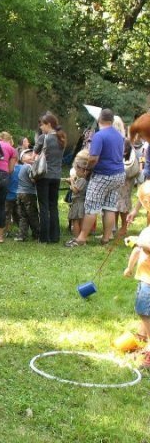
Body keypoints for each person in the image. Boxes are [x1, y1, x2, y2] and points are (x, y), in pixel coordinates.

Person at [66, 109, 125, 247]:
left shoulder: (99, 135)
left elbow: (93, 158)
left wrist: (87, 169)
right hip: (119, 174)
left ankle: (81, 238)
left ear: (99, 120)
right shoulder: (119, 135)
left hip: (103, 175)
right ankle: (105, 238)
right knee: (109, 207)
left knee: (92, 207)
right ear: (111, 120)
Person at [123, 182, 150, 370]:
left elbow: (143, 247)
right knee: (145, 312)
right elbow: (139, 251)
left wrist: (137, 242)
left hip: (149, 279)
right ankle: (142, 337)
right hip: (145, 276)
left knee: (144, 310)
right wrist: (129, 267)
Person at [33, 111, 66, 244]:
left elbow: (34, 156)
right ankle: (55, 236)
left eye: (42, 125)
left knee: (44, 206)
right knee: (53, 206)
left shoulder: (44, 138)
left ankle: (44, 237)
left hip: (44, 174)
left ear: (49, 124)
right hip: (56, 176)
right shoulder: (61, 138)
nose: (41, 127)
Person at [14, 149, 40, 241]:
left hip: (19, 193)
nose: (31, 156)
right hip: (28, 194)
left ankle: (22, 235)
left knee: (22, 215)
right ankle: (37, 234)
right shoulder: (29, 167)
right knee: (32, 214)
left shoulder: (22, 167)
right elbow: (33, 179)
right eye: (28, 155)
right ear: (22, 158)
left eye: (32, 154)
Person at [65, 150, 90, 238]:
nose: (75, 172)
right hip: (80, 203)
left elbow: (75, 190)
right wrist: (71, 182)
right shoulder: (81, 179)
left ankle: (76, 237)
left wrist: (72, 181)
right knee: (80, 221)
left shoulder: (82, 180)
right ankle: (81, 237)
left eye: (76, 170)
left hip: (78, 203)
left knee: (76, 221)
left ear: (81, 169)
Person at [116, 139, 138, 236]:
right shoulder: (129, 154)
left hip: (125, 184)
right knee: (115, 205)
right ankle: (114, 226)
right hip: (120, 183)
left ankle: (124, 227)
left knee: (122, 206)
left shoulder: (129, 159)